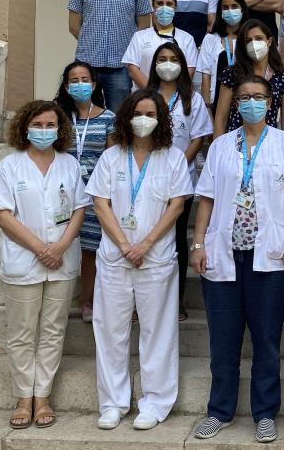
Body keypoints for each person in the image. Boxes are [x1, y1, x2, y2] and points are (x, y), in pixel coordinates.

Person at [191, 75, 284, 444]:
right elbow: (207, 197)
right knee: (223, 339)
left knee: (266, 338)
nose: (251, 103)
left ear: (270, 103)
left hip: (270, 258)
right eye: (244, 97)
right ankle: (219, 410)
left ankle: (265, 413)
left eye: (259, 96)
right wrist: (198, 243)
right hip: (223, 254)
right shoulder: (221, 146)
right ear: (236, 104)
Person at [87, 90, 193, 431]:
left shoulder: (173, 158)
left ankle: (155, 402)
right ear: (126, 117)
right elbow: (100, 203)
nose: (143, 120)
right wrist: (124, 245)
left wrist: (145, 244)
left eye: (150, 114)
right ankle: (113, 403)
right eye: (137, 113)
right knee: (110, 331)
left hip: (156, 257)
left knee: (157, 331)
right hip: (115, 257)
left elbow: (177, 206)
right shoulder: (111, 157)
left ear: (161, 119)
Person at [0, 100, 90, 429]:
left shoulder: (69, 164)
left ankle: (42, 396)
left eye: (50, 125)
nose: (44, 131)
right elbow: (2, 214)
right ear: (24, 127)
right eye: (37, 125)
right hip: (24, 259)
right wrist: (40, 249)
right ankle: (23, 397)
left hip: (62, 258)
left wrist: (59, 246)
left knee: (52, 330)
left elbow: (79, 209)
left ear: (59, 130)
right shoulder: (10, 165)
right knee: (21, 332)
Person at [146, 42, 213, 321]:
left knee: (176, 237)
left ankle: (178, 297)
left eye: (173, 59)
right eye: (162, 59)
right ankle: (147, 297)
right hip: (148, 179)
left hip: (181, 178)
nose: (167, 64)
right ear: (154, 65)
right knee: (149, 234)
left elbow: (198, 137)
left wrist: (177, 165)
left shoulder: (192, 99)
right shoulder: (145, 97)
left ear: (183, 65)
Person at [53, 61, 116, 323]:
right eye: (74, 80)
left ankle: (88, 301)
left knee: (90, 249)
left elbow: (113, 157)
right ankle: (56, 301)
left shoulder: (108, 118)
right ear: (66, 86)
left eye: (84, 80)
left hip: (94, 194)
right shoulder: (58, 117)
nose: (80, 85)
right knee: (60, 244)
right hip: (62, 193)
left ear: (94, 84)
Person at [68, 0, 152, 111]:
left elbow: (144, 27)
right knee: (83, 112)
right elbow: (74, 26)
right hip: (87, 64)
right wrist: (90, 43)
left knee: (119, 115)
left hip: (121, 66)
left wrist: (130, 54)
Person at [214, 19, 284, 135]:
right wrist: (218, 144)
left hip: (270, 141)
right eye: (248, 40)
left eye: (258, 38)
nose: (253, 44)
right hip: (235, 140)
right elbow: (221, 117)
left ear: (269, 41)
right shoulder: (232, 73)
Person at [122, 0, 199, 91]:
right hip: (145, 96)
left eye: (169, 4)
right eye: (160, 3)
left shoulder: (187, 39)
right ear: (153, 6)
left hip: (176, 97)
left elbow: (189, 70)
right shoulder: (139, 37)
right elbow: (133, 70)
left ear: (175, 7)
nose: (164, 8)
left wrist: (170, 94)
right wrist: (154, 94)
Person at [198, 0, 248, 110]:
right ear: (220, 12)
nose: (230, 10)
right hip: (216, 102)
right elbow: (206, 75)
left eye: (234, 6)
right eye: (225, 7)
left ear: (242, 10)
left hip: (246, 102)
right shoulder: (210, 38)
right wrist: (207, 107)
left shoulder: (250, 37)